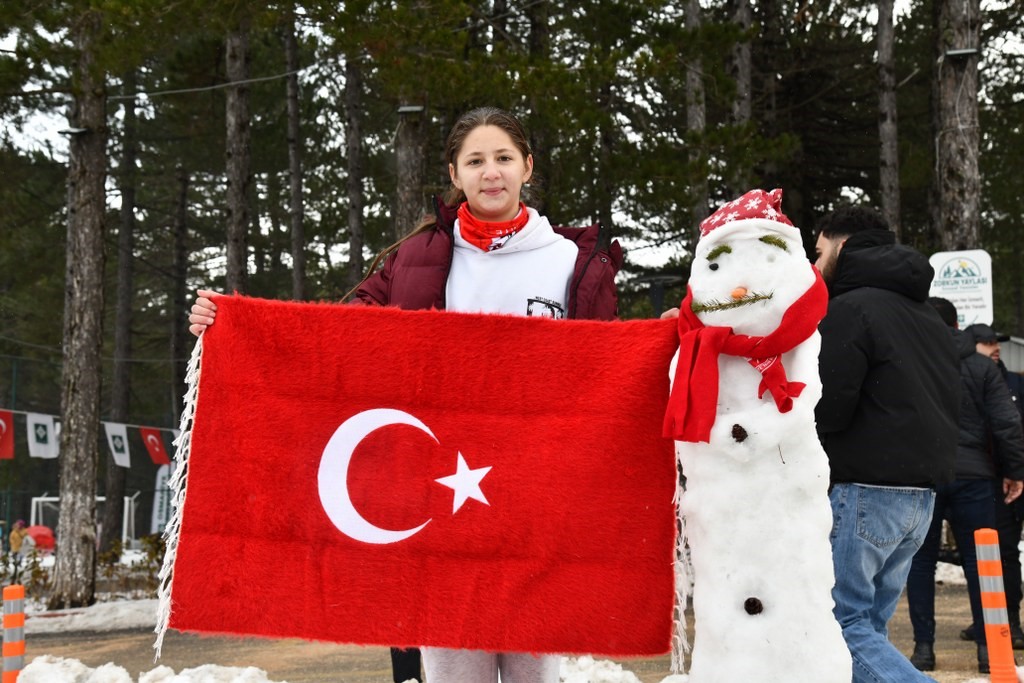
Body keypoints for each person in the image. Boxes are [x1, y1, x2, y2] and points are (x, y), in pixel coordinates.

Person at [189, 106, 622, 683]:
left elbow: (610, 370)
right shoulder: (416, 258)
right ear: (454, 173)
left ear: (527, 168)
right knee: (450, 667)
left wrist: (671, 338)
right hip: (436, 496)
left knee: (533, 670)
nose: (490, 173)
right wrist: (237, 325)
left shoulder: (571, 262)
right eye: (475, 161)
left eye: (503, 158)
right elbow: (339, 339)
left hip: (532, 499)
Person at [813, 206, 960, 683]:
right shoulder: (925, 313)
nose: (815, 267)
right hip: (920, 496)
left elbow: (830, 404)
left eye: (818, 253)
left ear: (841, 242)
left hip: (866, 490)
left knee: (839, 628)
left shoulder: (850, 308)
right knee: (868, 629)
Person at [905, 299, 1024, 673]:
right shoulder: (981, 367)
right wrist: (1014, 471)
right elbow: (1006, 424)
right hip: (974, 477)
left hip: (925, 475)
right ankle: (989, 651)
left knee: (920, 564)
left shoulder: (913, 363)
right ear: (958, 325)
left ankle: (924, 650)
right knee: (982, 563)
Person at [958, 322, 1024, 650]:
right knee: (982, 556)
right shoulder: (968, 372)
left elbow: (1011, 426)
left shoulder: (1014, 382)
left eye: (995, 348)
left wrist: (1015, 470)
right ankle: (984, 623)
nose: (994, 352)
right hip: (981, 478)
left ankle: (1010, 621)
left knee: (1005, 554)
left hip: (1006, 480)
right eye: (987, 346)